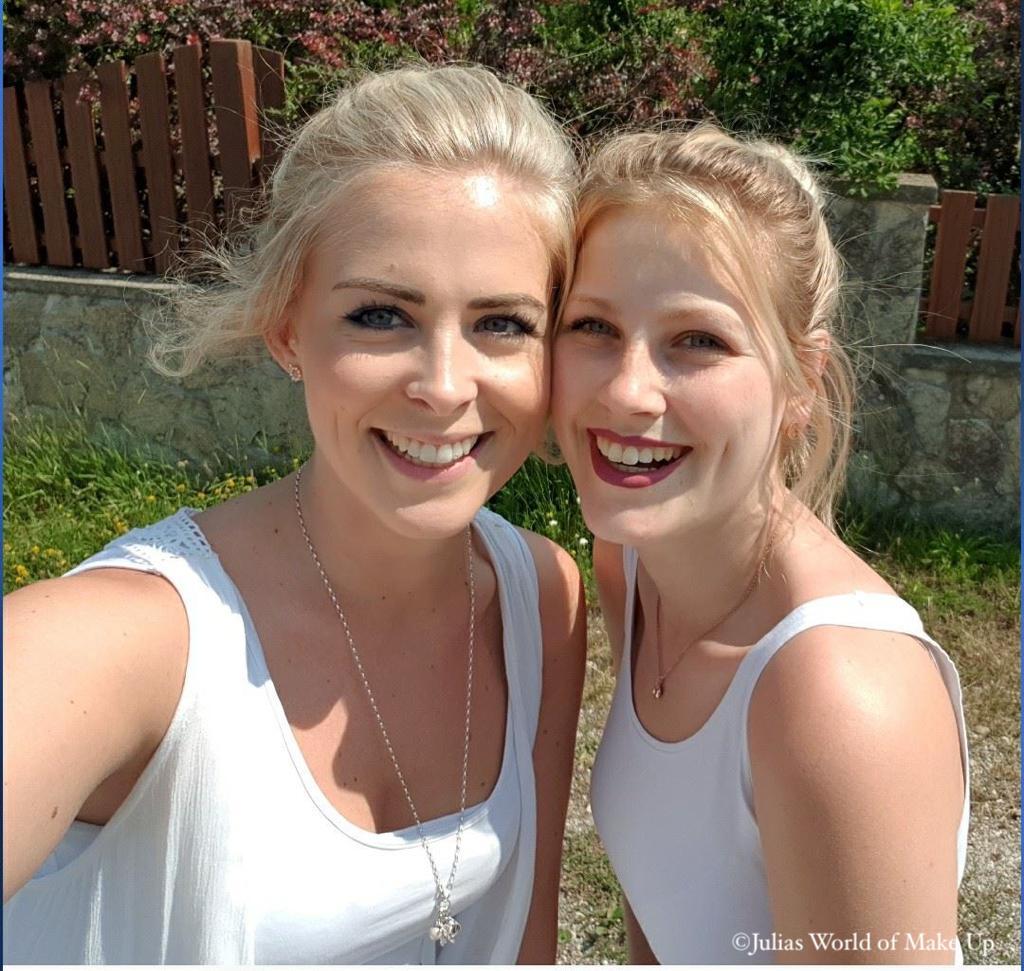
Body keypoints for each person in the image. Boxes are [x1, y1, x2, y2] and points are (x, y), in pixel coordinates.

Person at [3, 64, 587, 964]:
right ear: (286, 328)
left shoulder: (542, 597)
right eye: (381, 315)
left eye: (502, 323)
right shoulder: (127, 641)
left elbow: (527, 945)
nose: (442, 386)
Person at [552, 125, 969, 964]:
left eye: (697, 340)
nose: (628, 390)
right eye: (593, 325)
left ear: (800, 382)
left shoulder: (837, 698)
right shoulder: (632, 565)